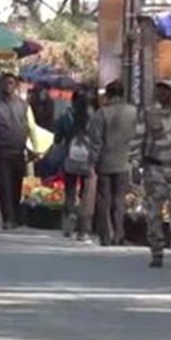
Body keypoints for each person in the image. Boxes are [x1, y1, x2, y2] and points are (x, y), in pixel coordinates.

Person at [135, 79, 171, 268]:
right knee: (154, 212)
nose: (162, 93)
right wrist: (134, 165)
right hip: (154, 169)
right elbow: (137, 139)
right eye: (159, 90)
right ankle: (157, 252)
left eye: (166, 90)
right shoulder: (148, 115)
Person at [89, 80, 140, 246]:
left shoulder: (101, 114)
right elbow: (138, 138)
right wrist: (134, 158)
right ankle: (119, 234)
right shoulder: (133, 112)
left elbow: (95, 141)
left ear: (109, 95)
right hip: (124, 162)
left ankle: (106, 234)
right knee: (119, 199)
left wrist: (91, 162)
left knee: (105, 199)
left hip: (105, 161)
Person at [0, 73, 32, 229]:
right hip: (2, 151)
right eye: (5, 83)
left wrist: (31, 147)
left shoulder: (23, 105)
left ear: (15, 85)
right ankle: (8, 218)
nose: (8, 85)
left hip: (19, 151)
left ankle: (15, 215)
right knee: (4, 186)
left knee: (16, 186)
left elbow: (28, 127)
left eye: (11, 83)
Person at [55, 86, 98, 241]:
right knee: (87, 194)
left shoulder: (66, 117)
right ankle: (83, 229)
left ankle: (67, 224)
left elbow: (57, 138)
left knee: (70, 191)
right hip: (89, 161)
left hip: (70, 160)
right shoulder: (95, 119)